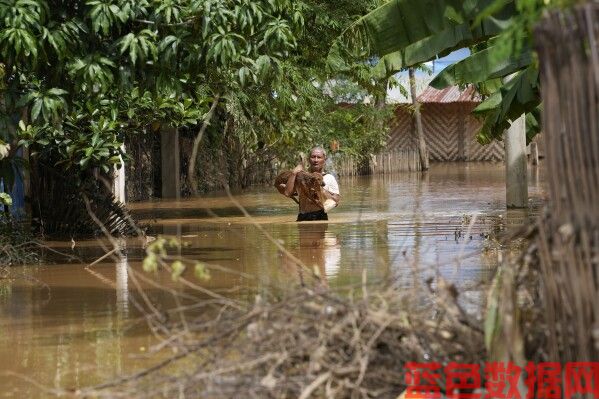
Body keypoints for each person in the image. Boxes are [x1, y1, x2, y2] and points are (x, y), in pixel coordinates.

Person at [281, 146, 340, 221]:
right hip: (302, 216)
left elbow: (336, 201)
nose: (316, 160)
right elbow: (287, 193)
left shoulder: (329, 178)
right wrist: (293, 173)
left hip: (320, 216)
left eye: (319, 157)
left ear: (324, 160)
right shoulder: (300, 176)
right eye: (313, 157)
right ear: (309, 159)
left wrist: (320, 189)